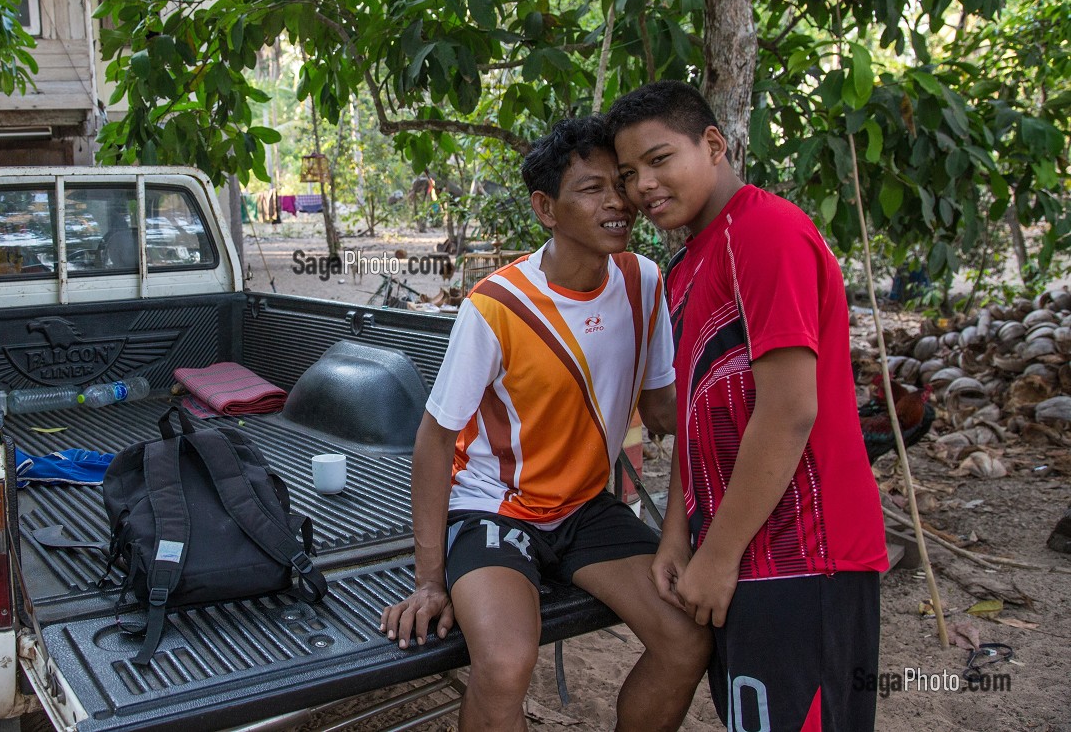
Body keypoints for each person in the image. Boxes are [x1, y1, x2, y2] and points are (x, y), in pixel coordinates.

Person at [380, 116, 711, 732]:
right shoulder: (496, 307)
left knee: (686, 639)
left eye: (622, 182)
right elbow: (433, 441)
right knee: (505, 665)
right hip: (493, 508)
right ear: (545, 208)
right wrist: (428, 579)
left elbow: (665, 409)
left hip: (585, 506)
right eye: (592, 189)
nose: (618, 201)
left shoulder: (643, 280)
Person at [604, 81, 887, 732]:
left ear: (713, 144)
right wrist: (679, 535)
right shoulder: (684, 268)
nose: (644, 184)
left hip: (806, 555)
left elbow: (790, 409)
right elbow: (698, 419)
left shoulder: (766, 232)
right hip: (736, 553)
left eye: (659, 159)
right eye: (628, 173)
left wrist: (717, 554)